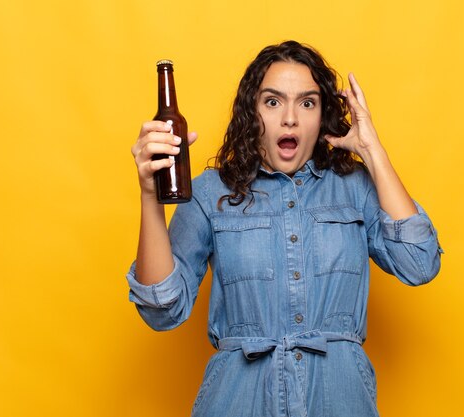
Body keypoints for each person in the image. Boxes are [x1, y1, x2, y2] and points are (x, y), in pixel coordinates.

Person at [127, 40, 442, 417]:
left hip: (339, 401)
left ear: (322, 114)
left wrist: (373, 152)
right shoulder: (210, 193)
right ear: (252, 113)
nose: (289, 118)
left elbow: (419, 263)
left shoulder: (355, 187)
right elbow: (162, 310)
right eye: (273, 102)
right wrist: (149, 194)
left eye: (307, 102)